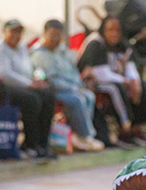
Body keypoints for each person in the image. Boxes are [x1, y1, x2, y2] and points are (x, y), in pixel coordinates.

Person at [0, 20, 58, 160]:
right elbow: (3, 75)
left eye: (19, 32)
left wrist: (37, 79)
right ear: (4, 32)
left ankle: (42, 144)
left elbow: (29, 70)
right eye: (13, 31)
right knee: (32, 99)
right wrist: (29, 84)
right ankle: (29, 144)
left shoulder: (22, 48)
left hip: (22, 86)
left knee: (48, 95)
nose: (16, 35)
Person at [30, 19, 104, 152]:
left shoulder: (62, 51)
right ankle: (84, 136)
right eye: (52, 34)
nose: (55, 39)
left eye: (58, 35)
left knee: (89, 96)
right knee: (77, 100)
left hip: (71, 87)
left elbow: (73, 70)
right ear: (44, 33)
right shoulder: (38, 53)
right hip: (56, 90)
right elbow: (49, 79)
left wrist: (77, 85)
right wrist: (72, 88)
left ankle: (81, 136)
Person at [77, 16, 146, 146]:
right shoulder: (96, 44)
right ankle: (124, 128)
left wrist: (134, 81)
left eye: (117, 30)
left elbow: (130, 66)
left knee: (139, 85)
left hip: (116, 78)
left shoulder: (122, 44)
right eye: (110, 30)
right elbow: (101, 73)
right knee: (116, 89)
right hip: (93, 82)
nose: (114, 34)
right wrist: (125, 81)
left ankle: (136, 128)